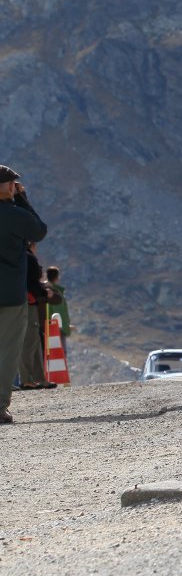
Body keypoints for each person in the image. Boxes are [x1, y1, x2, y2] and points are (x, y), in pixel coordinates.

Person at [0, 167, 48, 424]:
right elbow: (38, 230)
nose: (14, 186)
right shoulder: (15, 215)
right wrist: (22, 199)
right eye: (11, 184)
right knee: (8, 350)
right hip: (10, 295)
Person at [19, 242, 52, 390]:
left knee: (34, 341)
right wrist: (44, 292)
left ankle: (39, 378)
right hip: (28, 303)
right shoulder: (28, 258)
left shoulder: (16, 256)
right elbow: (32, 282)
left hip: (20, 303)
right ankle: (27, 379)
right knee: (29, 341)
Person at [45, 265, 69, 339]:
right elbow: (60, 313)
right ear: (57, 278)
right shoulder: (57, 294)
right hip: (56, 329)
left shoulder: (42, 290)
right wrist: (66, 329)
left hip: (44, 327)